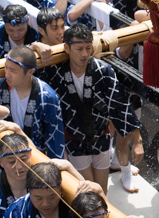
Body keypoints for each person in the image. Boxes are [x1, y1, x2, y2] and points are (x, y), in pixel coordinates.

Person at [46, 24, 142, 192]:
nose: (84, 54)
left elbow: (119, 103)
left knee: (102, 190)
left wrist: (137, 140)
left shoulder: (102, 70)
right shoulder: (56, 72)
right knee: (90, 192)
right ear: (66, 48)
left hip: (101, 138)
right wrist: (35, 46)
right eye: (79, 49)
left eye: (88, 48)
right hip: (74, 141)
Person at [0, 46, 64, 159]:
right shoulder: (1, 87)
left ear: (30, 71)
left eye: (13, 70)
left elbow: (54, 140)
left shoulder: (47, 97)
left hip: (35, 159)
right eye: (6, 68)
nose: (7, 74)